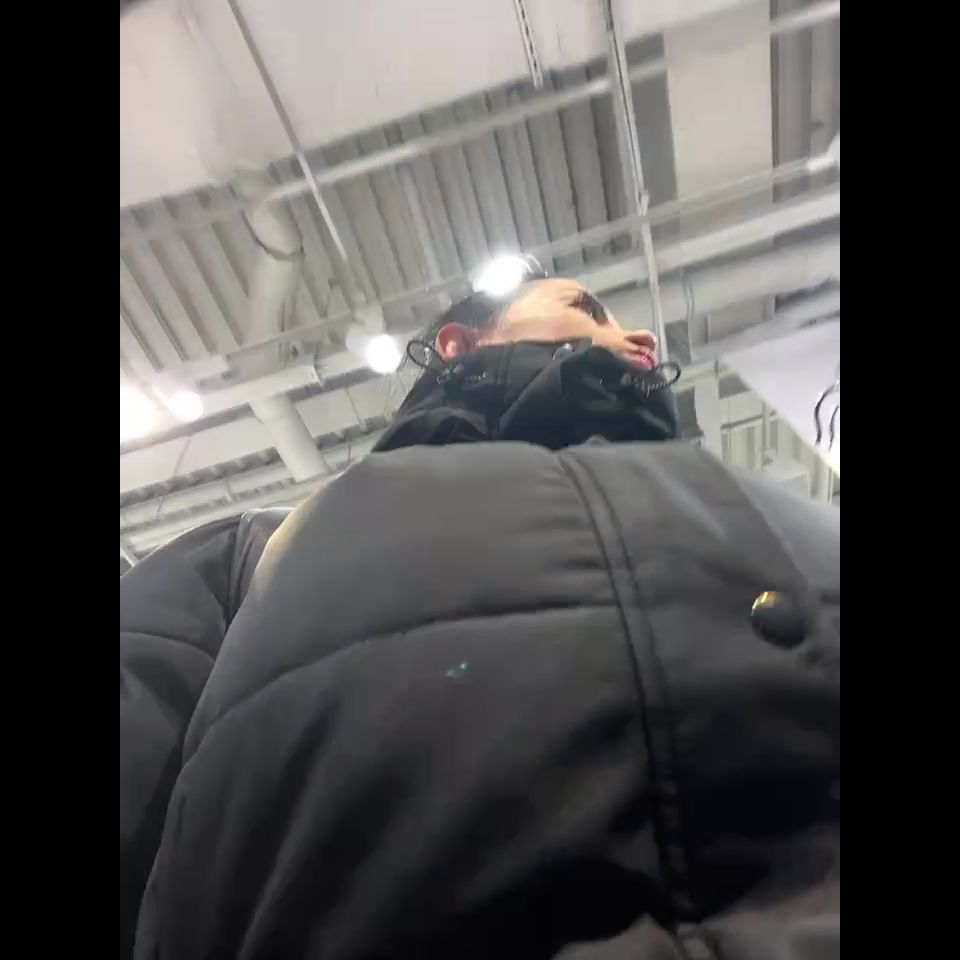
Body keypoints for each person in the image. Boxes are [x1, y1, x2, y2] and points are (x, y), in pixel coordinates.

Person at [120, 271, 840, 959]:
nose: (643, 334)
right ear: (458, 345)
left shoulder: (747, 503)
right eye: (586, 309)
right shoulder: (254, 554)